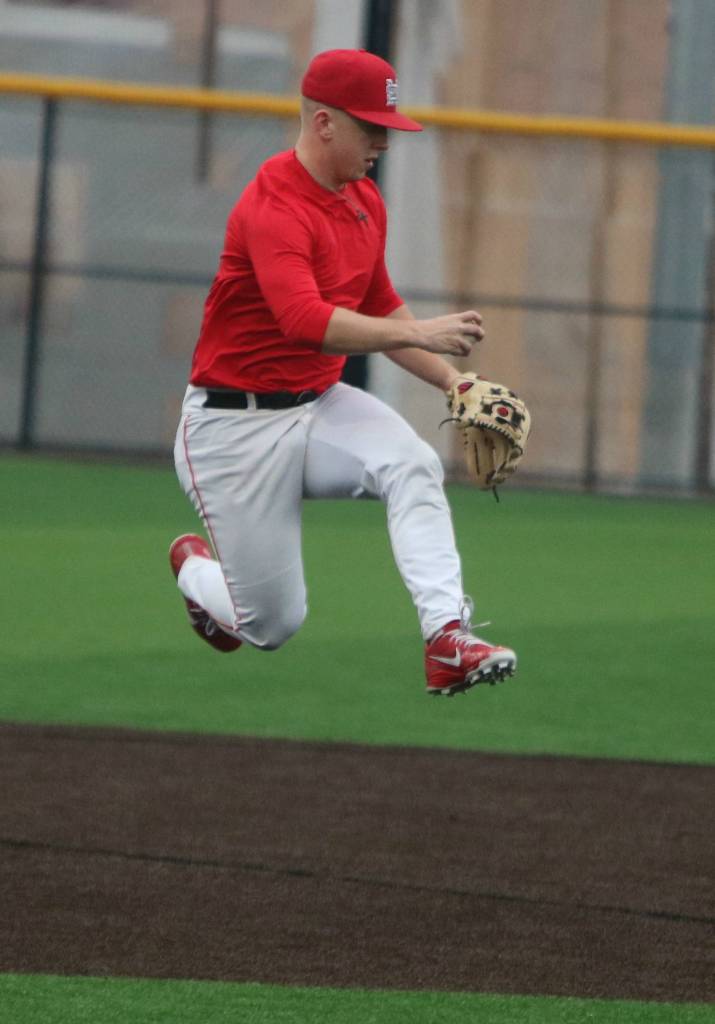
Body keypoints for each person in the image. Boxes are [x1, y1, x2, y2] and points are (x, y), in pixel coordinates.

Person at [170, 48, 516, 696]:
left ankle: (447, 637)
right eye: (369, 127)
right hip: (230, 428)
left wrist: (455, 384)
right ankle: (193, 568)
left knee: (411, 462)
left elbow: (377, 304)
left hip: (317, 403)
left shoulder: (362, 201)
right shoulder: (272, 204)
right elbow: (304, 318)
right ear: (324, 122)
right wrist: (421, 330)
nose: (382, 142)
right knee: (272, 624)